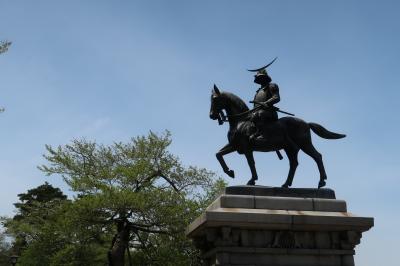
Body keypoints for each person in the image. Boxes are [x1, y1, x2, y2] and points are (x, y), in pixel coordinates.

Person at [248, 58, 280, 144]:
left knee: (259, 114)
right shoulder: (258, 91)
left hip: (269, 112)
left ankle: (263, 134)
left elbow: (276, 97)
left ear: (265, 78)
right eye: (258, 79)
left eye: (261, 78)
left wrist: (266, 103)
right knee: (249, 117)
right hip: (257, 113)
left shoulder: (272, 86)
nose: (259, 80)